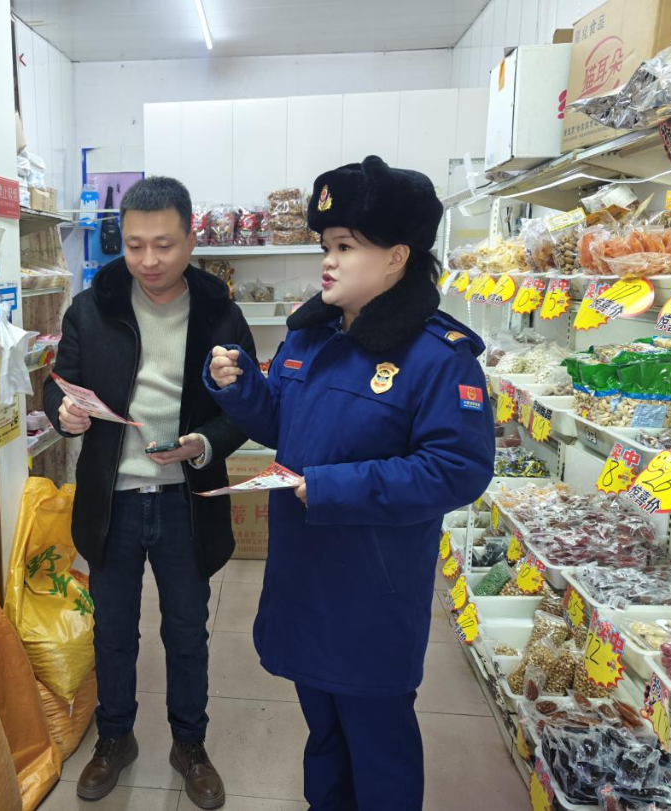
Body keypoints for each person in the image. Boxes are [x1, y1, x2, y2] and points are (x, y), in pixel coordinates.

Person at [204, 157, 495, 811]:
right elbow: (283, 422)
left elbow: (457, 467)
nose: (328, 263)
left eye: (344, 247)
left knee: (379, 740)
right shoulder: (312, 336)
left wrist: (333, 487)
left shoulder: (438, 357)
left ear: (396, 257)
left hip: (372, 590)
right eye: (325, 247)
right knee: (325, 730)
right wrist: (241, 386)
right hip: (304, 576)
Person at [43, 175, 256, 809]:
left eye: (164, 245)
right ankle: (115, 738)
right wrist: (64, 413)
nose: (149, 260)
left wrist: (205, 442)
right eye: (135, 245)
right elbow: (59, 384)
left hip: (185, 501)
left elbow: (246, 407)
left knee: (187, 631)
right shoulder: (92, 308)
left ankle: (190, 744)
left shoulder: (220, 313)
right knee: (113, 631)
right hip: (112, 501)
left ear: (191, 239)